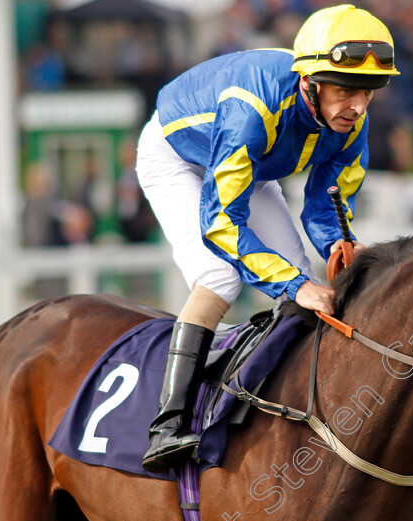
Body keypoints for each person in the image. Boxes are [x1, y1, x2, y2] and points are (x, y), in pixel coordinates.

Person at [135, 4, 399, 473]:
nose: (357, 106)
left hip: (250, 167)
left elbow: (326, 202)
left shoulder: (350, 120)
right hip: (179, 159)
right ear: (309, 82)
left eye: (367, 92)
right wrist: (296, 285)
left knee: (299, 271)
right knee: (220, 276)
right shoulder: (252, 109)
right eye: (344, 90)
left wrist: (337, 243)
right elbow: (221, 222)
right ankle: (168, 423)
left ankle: (280, 400)